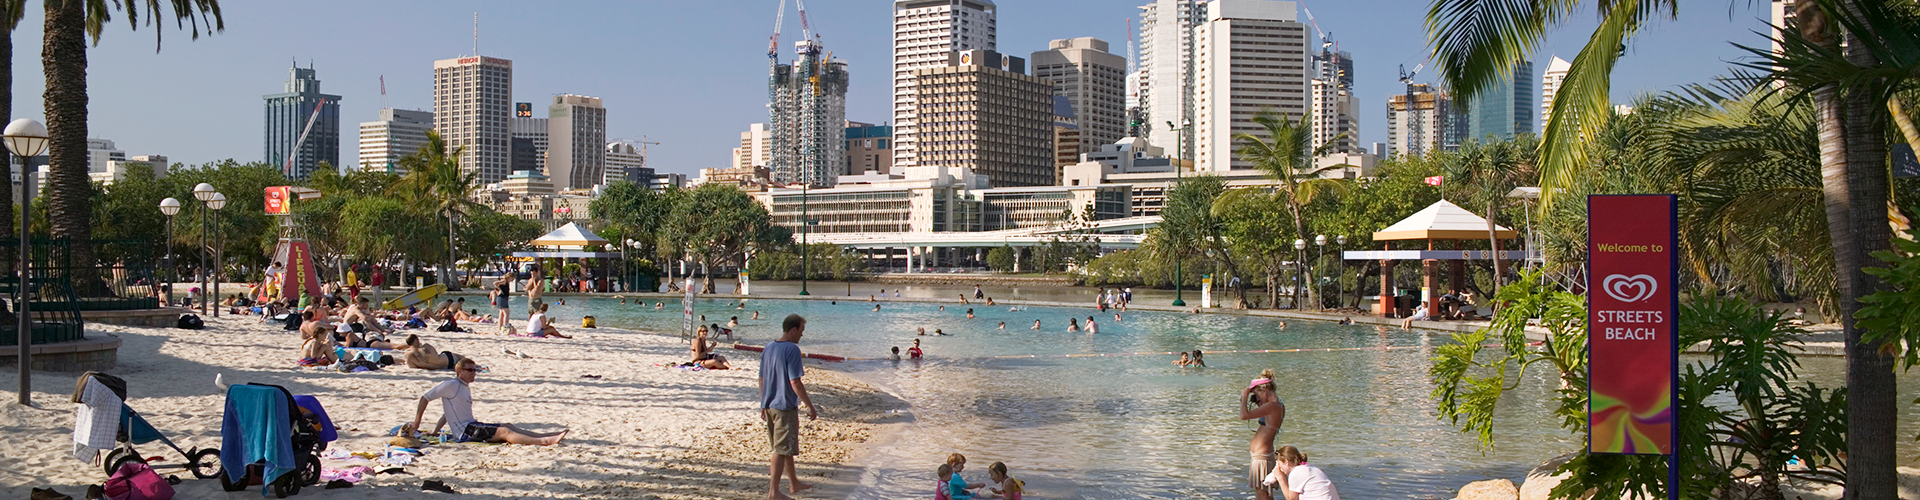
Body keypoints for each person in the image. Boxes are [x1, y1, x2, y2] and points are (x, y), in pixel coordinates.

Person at [411, 358, 568, 446]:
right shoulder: (450, 385)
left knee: (508, 426)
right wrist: (417, 421)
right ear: (460, 372)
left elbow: (449, 413)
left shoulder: (463, 387)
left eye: (475, 370)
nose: (474, 374)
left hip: (472, 426)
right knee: (504, 432)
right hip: (466, 432)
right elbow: (425, 398)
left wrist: (435, 430)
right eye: (470, 370)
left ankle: (544, 435)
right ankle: (544, 442)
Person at [761, 314, 818, 500]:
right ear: (793, 330)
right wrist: (810, 406)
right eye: (801, 331)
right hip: (784, 406)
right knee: (780, 449)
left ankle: (793, 483)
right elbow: (795, 382)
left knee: (785, 446)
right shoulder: (792, 350)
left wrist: (763, 404)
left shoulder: (768, 348)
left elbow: (761, 379)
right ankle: (773, 492)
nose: (801, 336)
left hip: (769, 405)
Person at [1240, 370, 1288, 500]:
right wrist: (1256, 396)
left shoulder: (1272, 406)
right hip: (1262, 455)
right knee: (1266, 494)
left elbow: (1244, 415)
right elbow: (1264, 412)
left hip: (1262, 456)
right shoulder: (1277, 404)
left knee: (1262, 494)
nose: (1258, 397)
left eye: (1258, 393)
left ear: (1265, 389)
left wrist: (1244, 397)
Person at [1267, 445, 1340, 500]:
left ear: (1287, 462)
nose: (1279, 467)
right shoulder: (1310, 467)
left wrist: (1281, 477)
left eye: (1279, 464)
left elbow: (1291, 498)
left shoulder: (1296, 473)